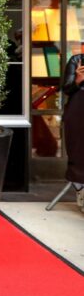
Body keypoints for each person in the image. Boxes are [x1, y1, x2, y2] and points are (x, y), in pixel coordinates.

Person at [62, 54, 84, 211]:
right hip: (78, 113)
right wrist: (78, 79)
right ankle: (81, 190)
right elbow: (67, 88)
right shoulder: (77, 60)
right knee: (78, 152)